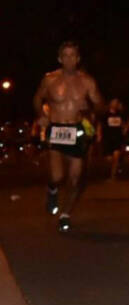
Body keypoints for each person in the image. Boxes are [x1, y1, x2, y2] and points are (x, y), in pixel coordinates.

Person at [32, 41, 105, 232]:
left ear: (78, 59)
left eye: (73, 55)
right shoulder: (50, 79)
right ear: (60, 58)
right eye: (66, 55)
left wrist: (90, 111)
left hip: (77, 130)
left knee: (75, 178)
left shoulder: (87, 81)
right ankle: (52, 189)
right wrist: (41, 115)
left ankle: (65, 213)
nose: (69, 59)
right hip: (56, 129)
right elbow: (37, 98)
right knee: (57, 175)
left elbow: (99, 104)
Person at [100, 98, 129, 181]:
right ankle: (112, 169)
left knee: (116, 158)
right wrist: (99, 135)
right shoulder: (105, 115)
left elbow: (126, 123)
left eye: (116, 103)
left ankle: (113, 176)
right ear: (110, 104)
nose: (115, 104)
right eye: (113, 102)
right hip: (108, 139)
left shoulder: (120, 114)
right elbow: (100, 125)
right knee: (109, 159)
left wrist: (125, 129)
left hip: (118, 139)